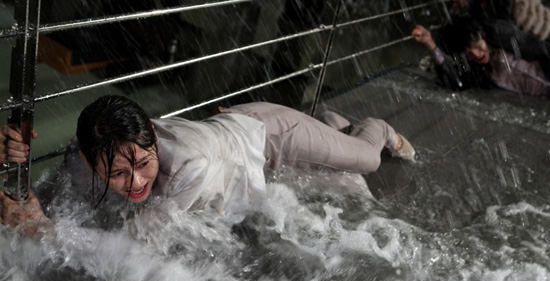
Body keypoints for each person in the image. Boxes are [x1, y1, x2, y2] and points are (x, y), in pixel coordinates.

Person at [0, 95, 415, 239]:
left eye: (143, 164)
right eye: (119, 174)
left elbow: (135, 247)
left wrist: (39, 230)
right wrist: (13, 162)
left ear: (155, 141)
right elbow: (50, 195)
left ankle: (376, 128)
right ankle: (332, 128)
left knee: (367, 160)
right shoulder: (84, 154)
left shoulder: (187, 167)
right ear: (91, 160)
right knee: (347, 182)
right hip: (236, 151)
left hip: (271, 136)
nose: (137, 182)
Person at [412, 17, 550, 97]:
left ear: (482, 35)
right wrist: (430, 44)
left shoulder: (503, 37)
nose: (478, 55)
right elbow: (457, 83)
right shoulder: (480, 72)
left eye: (478, 46)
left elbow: (537, 43)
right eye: (470, 54)